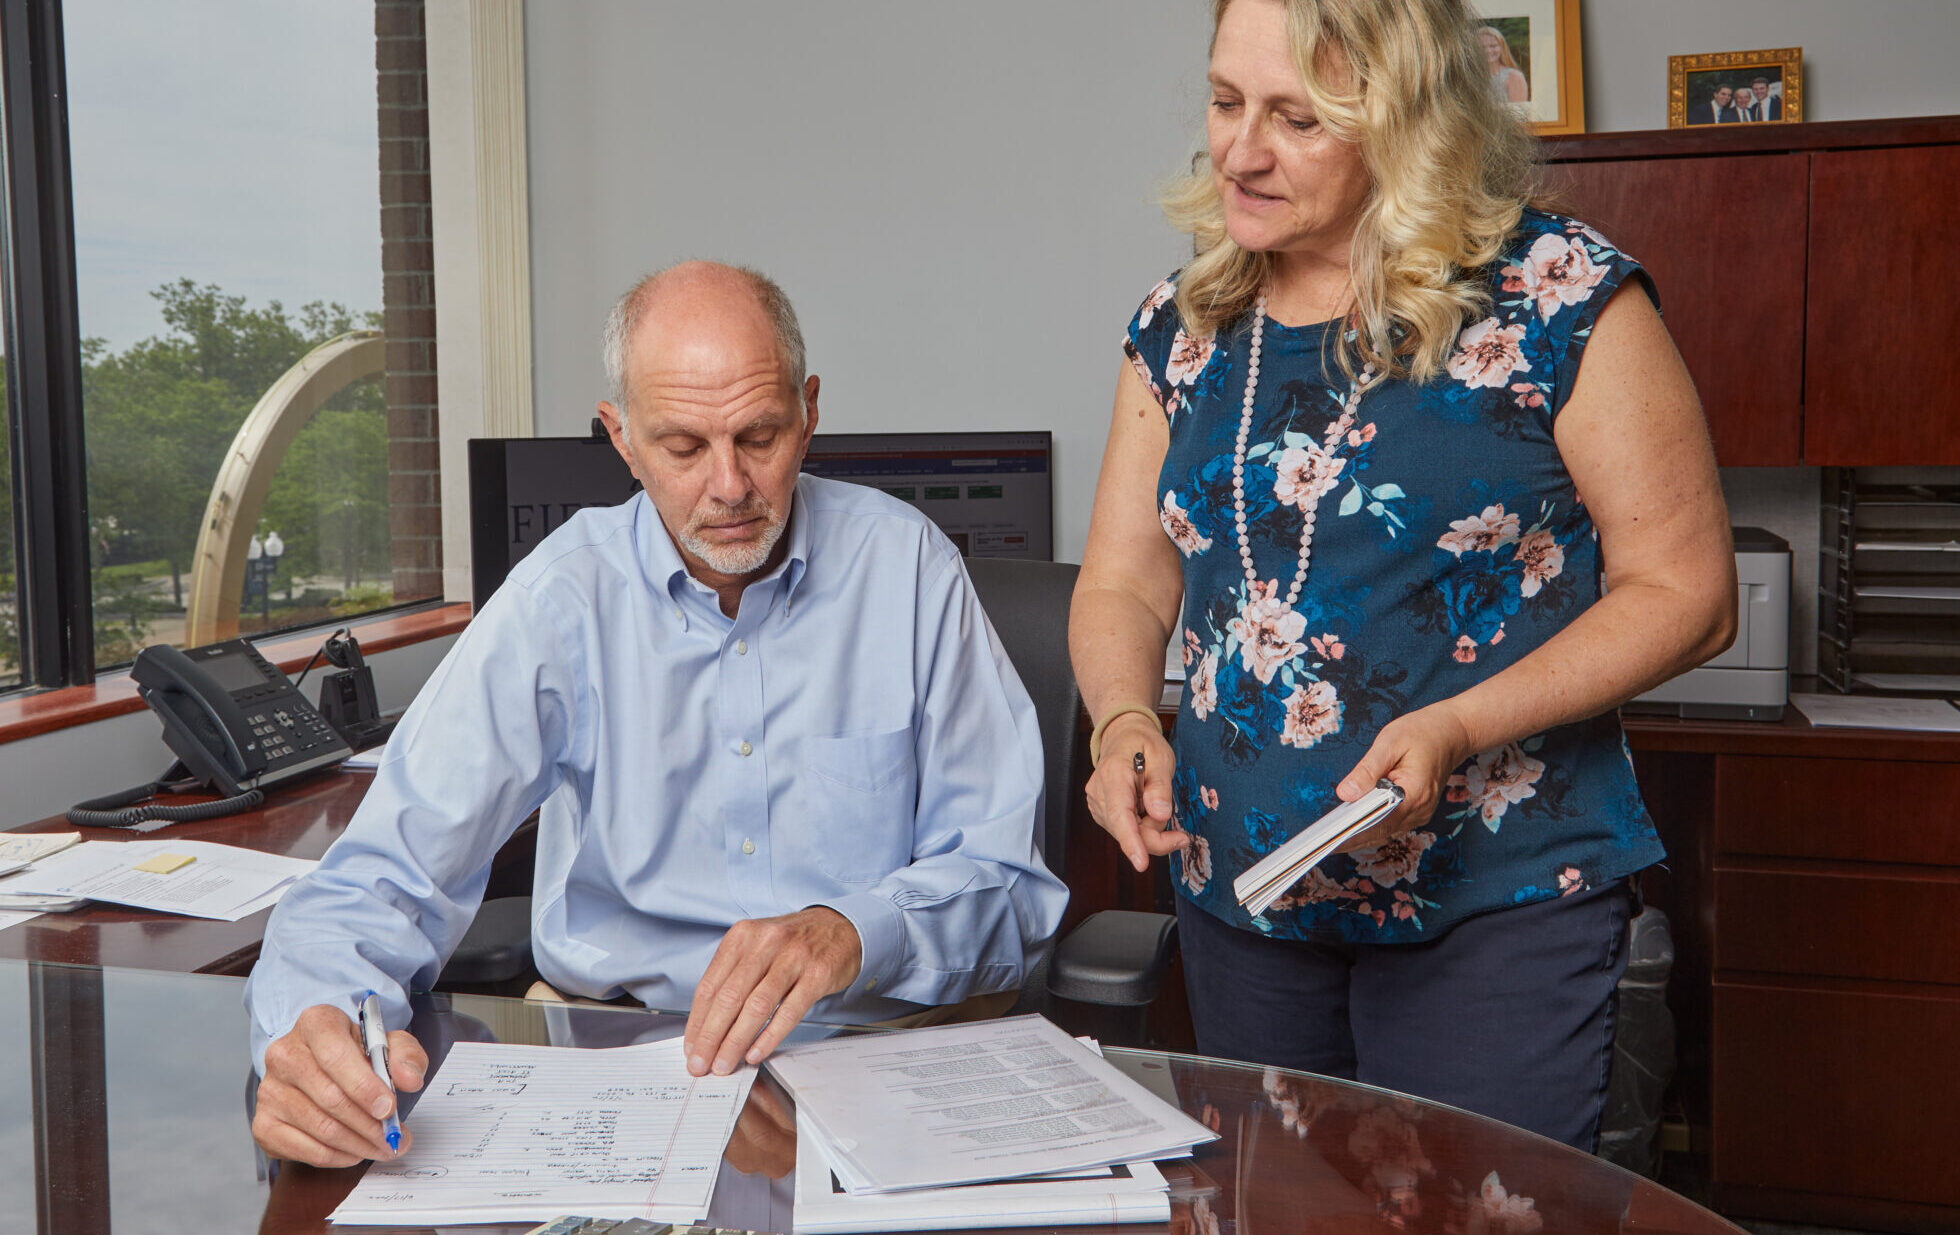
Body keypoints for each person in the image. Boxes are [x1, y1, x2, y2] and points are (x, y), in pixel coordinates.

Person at [1071, 0, 1735, 1150]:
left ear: (1406, 125)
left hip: (1494, 903)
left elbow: (1687, 590)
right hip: (1247, 898)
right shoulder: (1180, 326)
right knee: (1278, 1210)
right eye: (1227, 104)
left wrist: (1457, 724)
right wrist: (1122, 718)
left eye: (1297, 119)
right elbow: (1126, 581)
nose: (1240, 148)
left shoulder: (1558, 296)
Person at [246, 260, 1067, 1167]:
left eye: (760, 434)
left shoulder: (907, 568)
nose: (729, 485)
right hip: (622, 1062)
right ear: (622, 439)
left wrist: (856, 929)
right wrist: (313, 1027)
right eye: (682, 447)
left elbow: (1010, 887)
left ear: (810, 412)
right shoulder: (562, 598)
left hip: (876, 1056)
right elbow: (380, 877)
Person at [1476, 25, 1528, 103]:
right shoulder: (1471, 77)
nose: (1488, 51)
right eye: (1482, 47)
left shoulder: (1514, 77)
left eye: (1493, 46)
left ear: (1502, 47)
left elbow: (1519, 112)